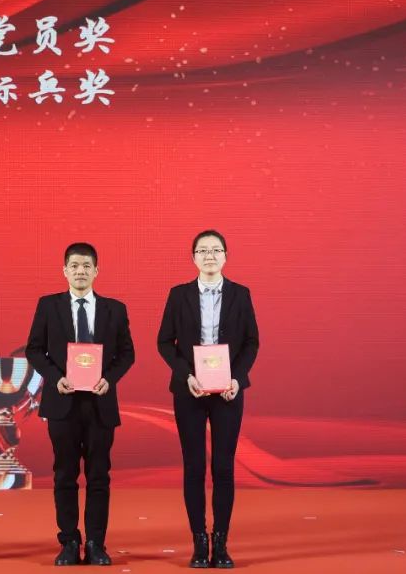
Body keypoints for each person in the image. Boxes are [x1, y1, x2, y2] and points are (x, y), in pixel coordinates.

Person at [24, 242, 135, 566]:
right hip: (62, 401)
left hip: (100, 403)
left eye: (86, 266)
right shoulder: (48, 305)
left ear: (96, 271)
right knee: (64, 474)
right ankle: (70, 541)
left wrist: (109, 379)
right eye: (74, 266)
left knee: (99, 475)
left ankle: (97, 543)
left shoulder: (115, 309)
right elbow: (34, 349)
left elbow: (127, 353)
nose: (80, 271)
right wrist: (54, 377)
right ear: (64, 271)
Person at [156, 230, 259, 568]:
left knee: (224, 467)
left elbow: (251, 342)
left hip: (228, 391)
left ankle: (221, 542)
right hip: (190, 390)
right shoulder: (179, 294)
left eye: (216, 250)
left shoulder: (240, 294)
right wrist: (186, 375)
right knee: (195, 466)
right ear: (193, 258)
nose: (209, 256)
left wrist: (236, 378)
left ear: (226, 256)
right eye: (203, 250)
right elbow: (164, 342)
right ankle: (199, 541)